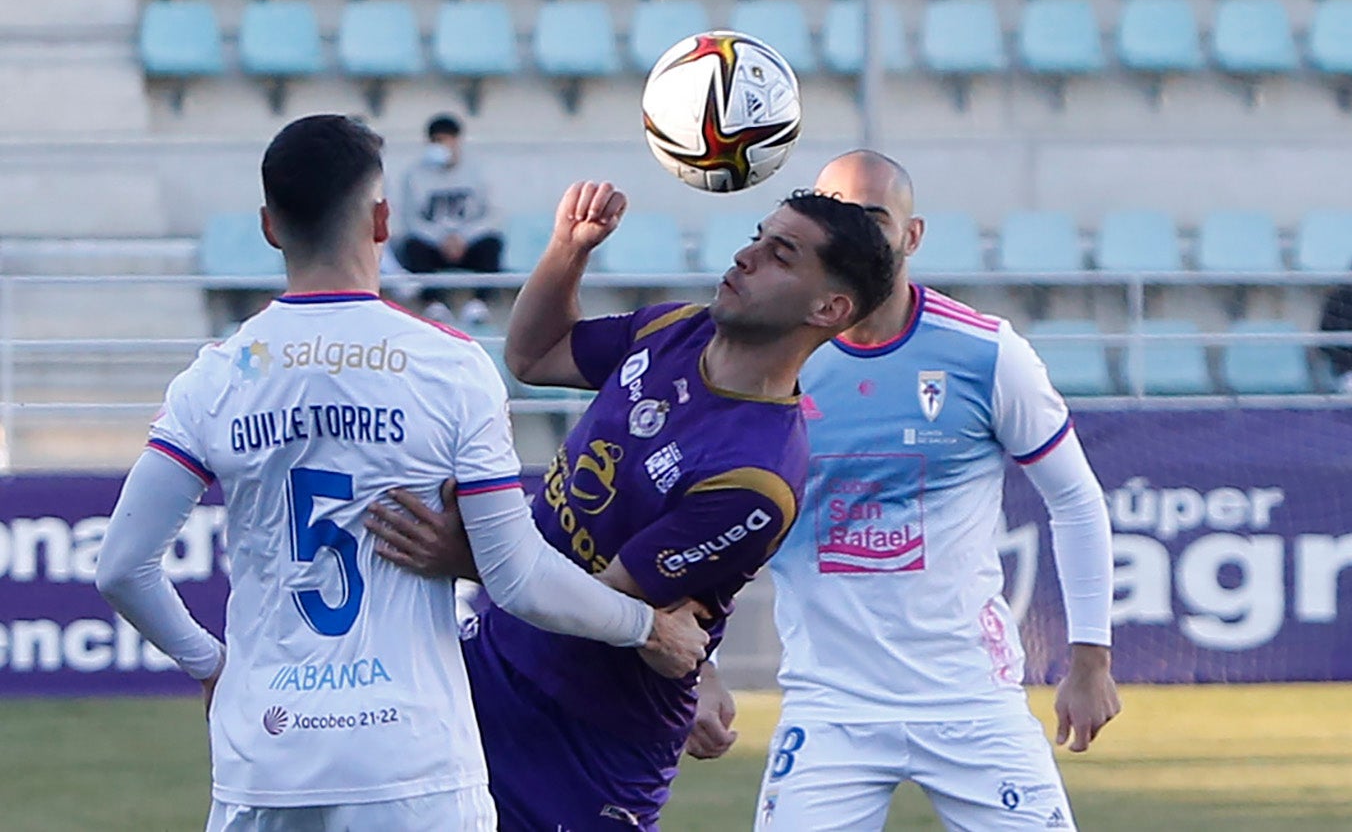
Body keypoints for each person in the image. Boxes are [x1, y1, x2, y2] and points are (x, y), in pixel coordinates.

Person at [95, 116, 708, 832]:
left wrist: (209, 664)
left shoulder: (217, 375)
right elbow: (517, 578)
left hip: (266, 753)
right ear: (384, 218)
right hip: (411, 762)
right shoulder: (448, 366)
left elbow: (121, 567)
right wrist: (646, 627)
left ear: (269, 226)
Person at [371, 179, 897, 830]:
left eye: (781, 254)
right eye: (756, 237)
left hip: (589, 738)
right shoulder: (678, 327)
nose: (745, 256)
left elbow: (603, 602)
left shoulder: (756, 475)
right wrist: (570, 247)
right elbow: (534, 354)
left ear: (828, 306)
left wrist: (465, 555)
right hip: (496, 656)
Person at [687, 150, 1120, 831]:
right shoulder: (771, 359)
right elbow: (708, 519)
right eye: (835, 217)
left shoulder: (987, 354)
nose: (852, 235)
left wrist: (1090, 656)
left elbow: (1076, 498)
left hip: (972, 700)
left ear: (911, 237)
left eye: (872, 218)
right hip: (831, 707)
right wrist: (699, 664)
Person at [393, 113, 503, 324]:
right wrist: (441, 239)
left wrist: (463, 238)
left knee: (492, 243)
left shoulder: (478, 172)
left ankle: (479, 304)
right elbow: (411, 220)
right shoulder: (414, 175)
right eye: (436, 141)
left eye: (445, 140)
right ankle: (434, 304)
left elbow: (493, 215)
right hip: (434, 245)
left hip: (468, 243)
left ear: (457, 140)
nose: (441, 146)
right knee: (412, 246)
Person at [1319, 253, 1352, 394]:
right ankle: (1349, 379)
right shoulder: (1339, 296)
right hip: (1350, 350)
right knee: (1339, 344)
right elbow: (1327, 327)